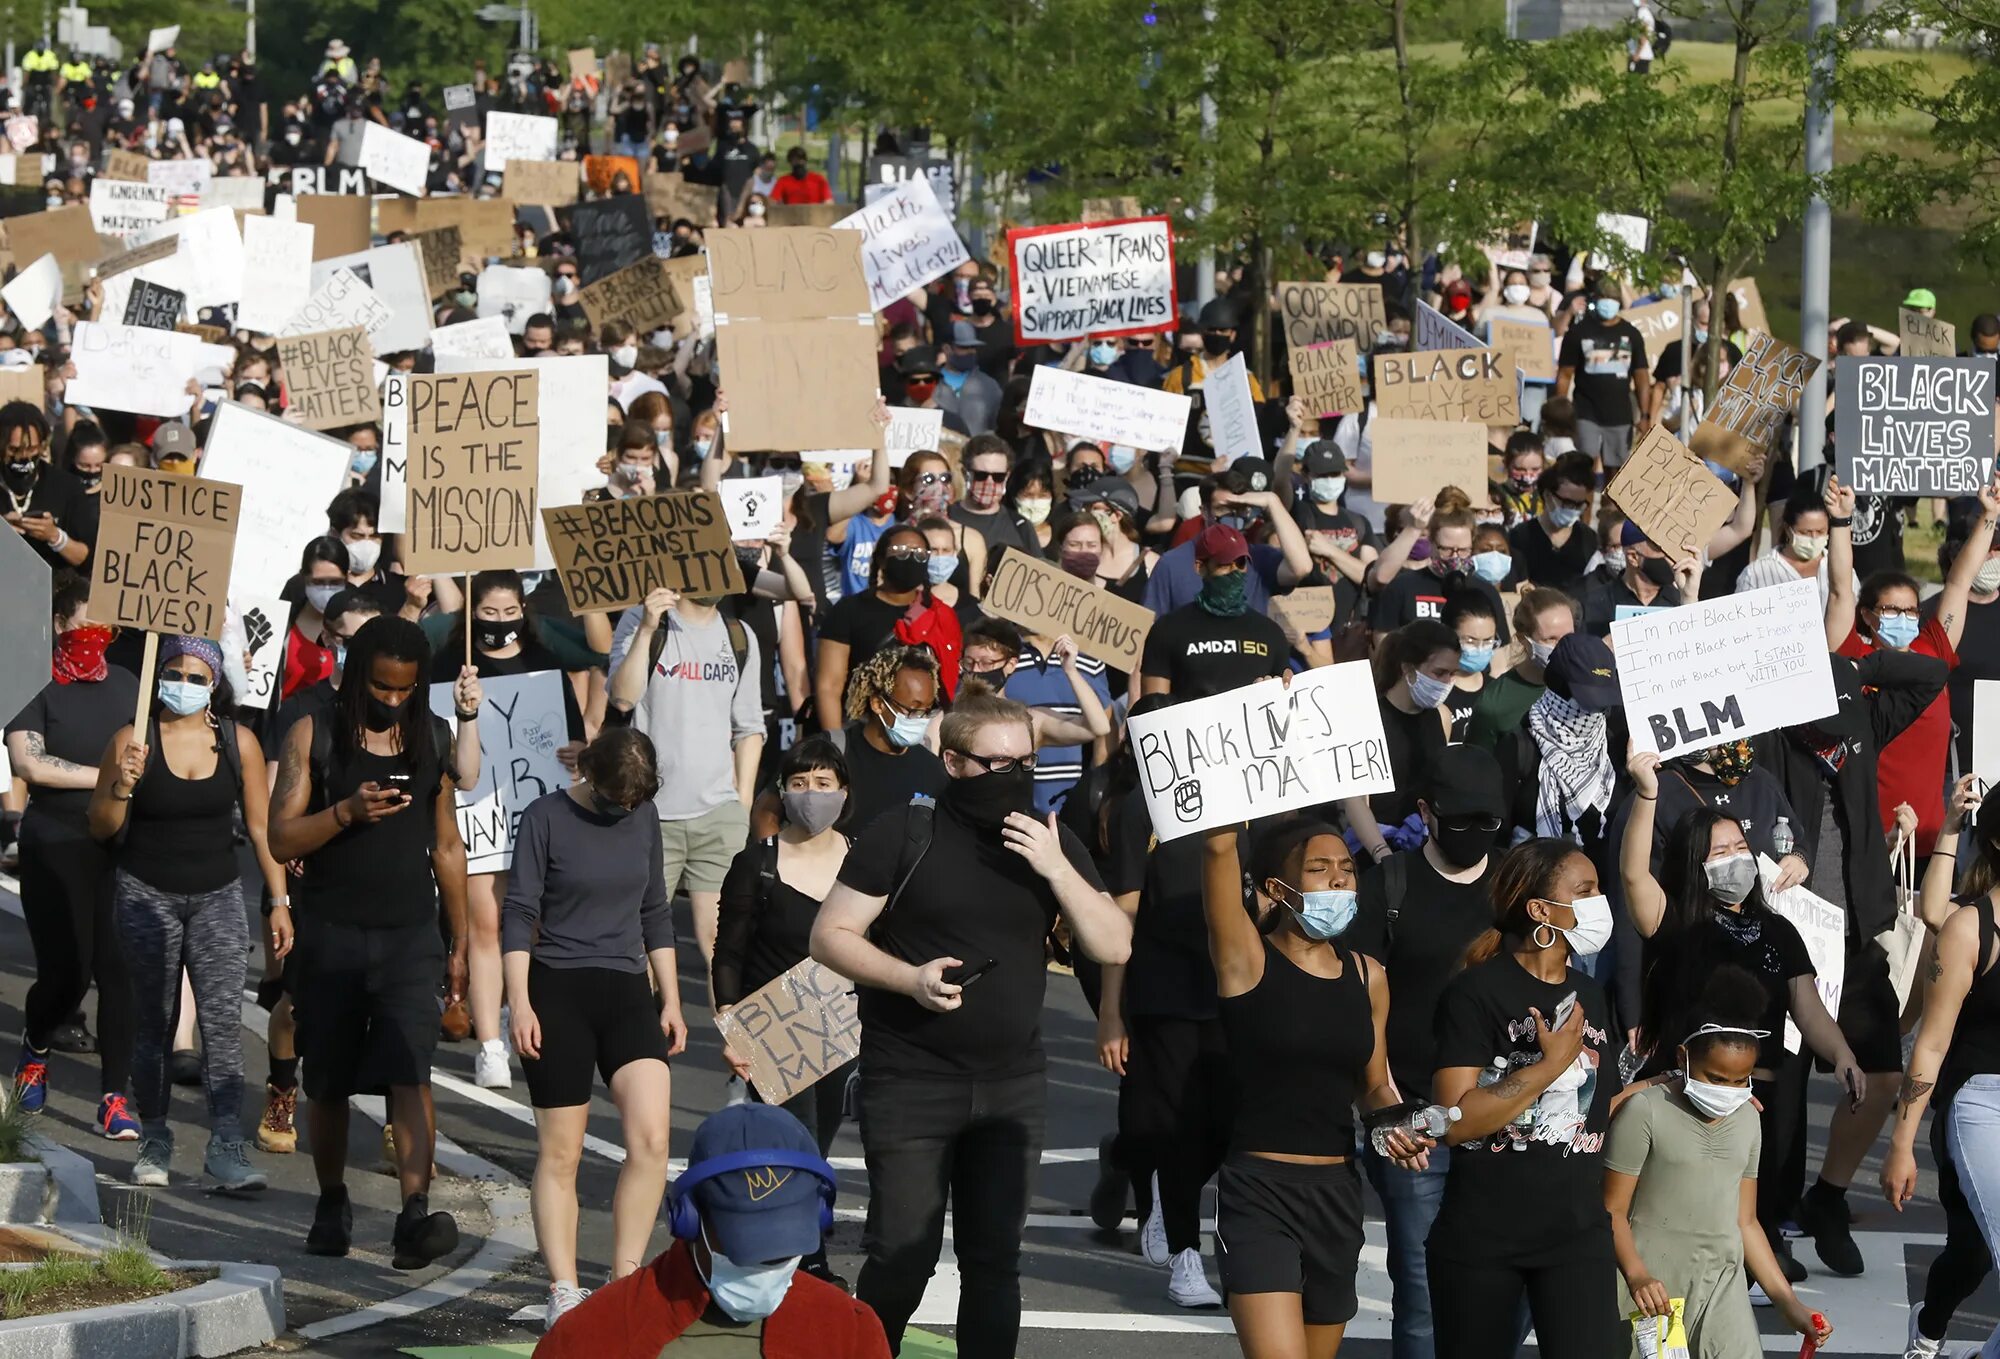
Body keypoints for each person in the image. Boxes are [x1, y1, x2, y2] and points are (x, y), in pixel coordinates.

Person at [810, 693, 1132, 1359]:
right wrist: (909, 978)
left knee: (994, 1264)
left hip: (1012, 1083)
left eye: (1026, 762)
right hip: (910, 1080)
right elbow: (830, 935)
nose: (1014, 774)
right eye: (996, 762)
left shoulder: (1049, 838)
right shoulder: (905, 832)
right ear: (953, 761)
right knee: (903, 1254)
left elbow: (1115, 943)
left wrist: (1056, 868)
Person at [268, 615, 470, 1269]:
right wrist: (345, 812)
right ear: (358, 675)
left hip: (410, 935)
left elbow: (446, 843)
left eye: (404, 689)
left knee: (410, 1070)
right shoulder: (314, 730)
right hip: (332, 935)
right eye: (381, 687)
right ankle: (332, 1200)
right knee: (326, 1082)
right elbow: (280, 837)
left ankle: (414, 1212)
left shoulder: (431, 736)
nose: (391, 700)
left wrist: (459, 937)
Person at [1621, 752, 1866, 1280]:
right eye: (1720, 851)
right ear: (1694, 863)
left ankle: (1755, 1270)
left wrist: (1842, 1052)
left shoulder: (1779, 930)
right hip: (1687, 1096)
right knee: (1682, 1209)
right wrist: (1646, 794)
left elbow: (1808, 1007)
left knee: (1751, 1206)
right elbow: (1633, 873)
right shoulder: (1674, 921)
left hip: (1761, 1099)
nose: (1737, 858)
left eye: (1741, 847)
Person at [1196, 817, 1420, 1354]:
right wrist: (1223, 813)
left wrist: (1395, 1122)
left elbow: (1373, 1086)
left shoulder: (1369, 975)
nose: (1340, 881)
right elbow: (1218, 853)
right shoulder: (1245, 960)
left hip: (1338, 1196)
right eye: (1320, 870)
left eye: (1347, 869)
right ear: (1277, 889)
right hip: (1259, 1193)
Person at [85, 636, 286, 1191]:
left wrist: (278, 901)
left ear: (215, 683)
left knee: (222, 1026)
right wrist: (123, 785)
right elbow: (100, 825)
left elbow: (263, 828)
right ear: (158, 676)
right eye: (174, 674)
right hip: (146, 895)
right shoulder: (132, 739)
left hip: (218, 896)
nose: (185, 686)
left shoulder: (236, 741)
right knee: (154, 1022)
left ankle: (226, 1145)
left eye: (198, 678)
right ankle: (154, 1137)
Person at [504, 728, 686, 1330]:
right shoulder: (545, 817)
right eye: (616, 799)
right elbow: (519, 913)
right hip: (557, 989)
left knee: (653, 1141)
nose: (625, 810)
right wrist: (519, 1005)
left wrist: (673, 1000)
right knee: (563, 1152)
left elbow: (655, 909)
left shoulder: (644, 813)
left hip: (628, 988)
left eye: (634, 802)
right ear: (587, 775)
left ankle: (625, 1281)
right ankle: (564, 1288)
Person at [1427, 838, 1624, 1359]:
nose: (1598, 903)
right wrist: (1549, 1066)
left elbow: (1595, 1111)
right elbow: (1453, 1121)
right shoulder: (1475, 994)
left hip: (1578, 1235)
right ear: (1541, 910)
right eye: (1584, 891)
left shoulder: (1592, 994)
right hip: (1484, 1239)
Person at [1349, 746, 1506, 1359]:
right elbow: (1359, 1006)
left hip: (1503, 1120)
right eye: (1461, 821)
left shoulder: (1518, 887)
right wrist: (1380, 1104)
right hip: (1411, 1118)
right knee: (1421, 1293)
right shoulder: (1389, 885)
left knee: (1502, 1281)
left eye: (1488, 823)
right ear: (1426, 813)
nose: (1475, 835)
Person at [532, 1104, 890, 1358]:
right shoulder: (590, 1338)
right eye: (746, 1247)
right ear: (688, 1219)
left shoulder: (850, 1331)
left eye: (784, 1247)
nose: (767, 1265)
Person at [1605, 968, 1836, 1356]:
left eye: (1739, 1080)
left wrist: (1789, 1304)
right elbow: (1612, 1210)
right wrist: (1638, 1275)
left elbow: (1745, 1221)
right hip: (1651, 1294)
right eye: (1715, 1077)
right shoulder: (1645, 1111)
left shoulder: (1748, 1119)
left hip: (1722, 1288)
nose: (1728, 1092)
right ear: (1684, 1057)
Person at [714, 736, 854, 1283]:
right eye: (799, 784)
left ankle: (795, 1249)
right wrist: (731, 1027)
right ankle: (806, 1258)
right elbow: (729, 954)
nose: (811, 796)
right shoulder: (757, 866)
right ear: (781, 792)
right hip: (774, 1030)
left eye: (823, 784)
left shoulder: (864, 860)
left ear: (844, 792)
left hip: (843, 1026)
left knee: (817, 1141)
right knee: (791, 1144)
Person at [5, 573, 140, 1137]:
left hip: (121, 846)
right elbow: (29, 765)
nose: (94, 633)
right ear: (59, 625)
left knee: (119, 971)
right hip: (55, 844)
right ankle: (36, 1048)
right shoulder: (33, 685)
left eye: (103, 623)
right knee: (68, 971)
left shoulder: (133, 682)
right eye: (83, 622)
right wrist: (107, 776)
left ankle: (115, 1096)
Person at [438, 570, 580, 1091]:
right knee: (485, 924)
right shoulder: (448, 669)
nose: (499, 623)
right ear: (471, 614)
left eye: (509, 613)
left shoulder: (546, 668)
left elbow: (575, 740)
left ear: (524, 611)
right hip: (476, 814)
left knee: (535, 927)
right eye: (488, 613)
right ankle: (490, 1047)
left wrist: (577, 752)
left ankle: (519, 1013)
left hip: (537, 815)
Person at [1889, 778, 2000, 1359]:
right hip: (1979, 1106)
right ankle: (1929, 1328)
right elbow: (1929, 1046)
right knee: (1978, 1253)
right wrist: (1901, 1144)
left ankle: (1940, 1331)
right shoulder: (1969, 927)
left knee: (1980, 1253)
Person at [608, 583, 764, 976]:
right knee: (641, 942)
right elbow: (623, 698)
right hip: (650, 814)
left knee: (722, 943)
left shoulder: (740, 635)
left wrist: (741, 804)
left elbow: (749, 727)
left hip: (719, 814)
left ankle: (733, 1041)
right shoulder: (641, 621)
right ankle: (647, 1035)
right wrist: (646, 627)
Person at [1343, 620, 1459, 865]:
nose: (1447, 682)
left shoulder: (1442, 716)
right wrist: (1381, 854)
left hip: (1426, 847)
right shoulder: (1366, 717)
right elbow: (1355, 799)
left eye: (1452, 674)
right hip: (1374, 849)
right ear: (1408, 669)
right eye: (1439, 673)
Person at [1140, 523, 1289, 700]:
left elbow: (1286, 703)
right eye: (1224, 564)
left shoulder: (1270, 633)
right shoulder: (1168, 630)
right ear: (1199, 567)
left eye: (1240, 563)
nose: (1234, 572)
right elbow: (1154, 710)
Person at [835, 644, 948, 825]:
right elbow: (773, 812)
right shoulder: (831, 753)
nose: (921, 719)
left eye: (926, 711)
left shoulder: (934, 771)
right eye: (913, 710)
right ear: (878, 704)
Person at [1555, 277, 1651, 472]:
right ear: (1595, 299)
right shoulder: (1578, 332)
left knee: (1615, 473)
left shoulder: (1631, 334)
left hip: (1620, 414)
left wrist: (1645, 414)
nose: (1608, 301)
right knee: (1582, 469)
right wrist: (1561, 409)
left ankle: (1608, 504)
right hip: (1585, 412)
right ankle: (1585, 503)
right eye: (1603, 297)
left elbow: (1641, 377)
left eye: (1612, 297)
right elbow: (1565, 374)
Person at [1465, 588, 1576, 752]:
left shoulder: (1586, 684)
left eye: (1568, 637)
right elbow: (1476, 769)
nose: (1562, 647)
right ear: (1523, 640)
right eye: (1550, 639)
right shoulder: (1494, 705)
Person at [2, 400, 92, 571]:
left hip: (52, 589)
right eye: (13, 450)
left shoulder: (68, 487)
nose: (23, 457)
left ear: (43, 445)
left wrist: (55, 536)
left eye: (31, 449)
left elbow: (86, 557)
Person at [1506, 451, 1599, 597]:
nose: (1572, 510)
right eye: (1567, 503)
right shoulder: (1521, 536)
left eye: (1579, 505)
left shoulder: (1588, 539)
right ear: (1548, 495)